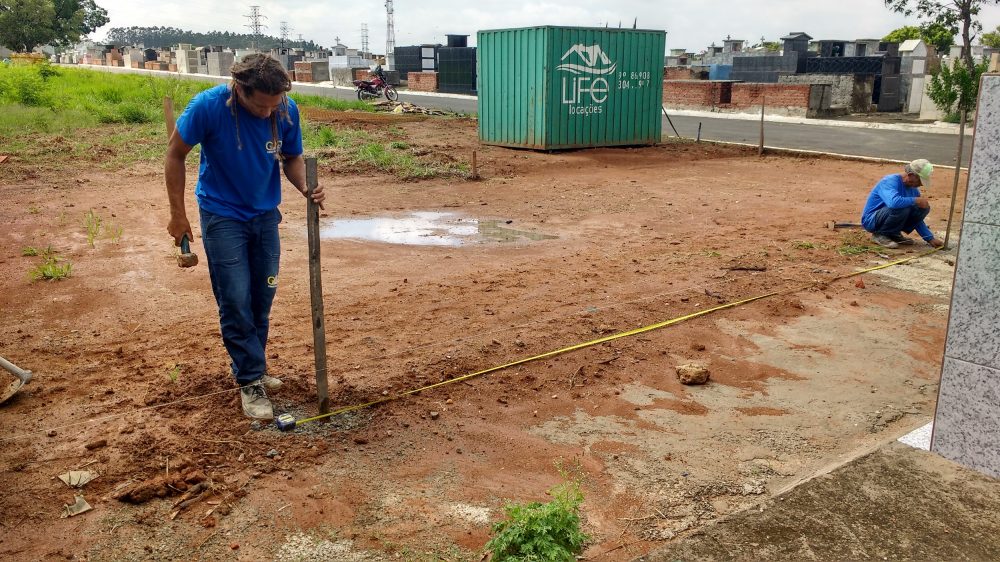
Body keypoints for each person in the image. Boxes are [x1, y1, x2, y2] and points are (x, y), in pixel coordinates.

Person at [165, 54, 325, 419]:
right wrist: (177, 214)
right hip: (222, 215)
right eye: (261, 105)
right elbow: (175, 155)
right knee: (235, 298)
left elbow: (292, 158)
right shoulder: (207, 107)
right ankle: (250, 380)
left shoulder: (285, 110)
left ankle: (255, 366)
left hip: (265, 215)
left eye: (275, 105)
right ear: (240, 89)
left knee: (262, 295)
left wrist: (305, 188)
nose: (269, 113)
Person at [861, 159, 944, 249]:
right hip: (872, 220)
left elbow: (916, 218)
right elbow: (893, 203)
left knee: (922, 208)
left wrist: (929, 238)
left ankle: (893, 234)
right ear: (911, 175)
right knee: (902, 207)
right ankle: (880, 235)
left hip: (889, 215)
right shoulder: (889, 181)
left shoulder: (914, 191)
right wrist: (915, 200)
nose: (921, 184)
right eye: (920, 181)